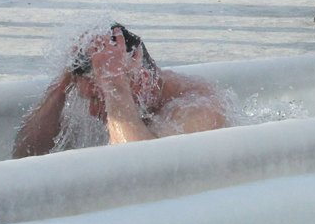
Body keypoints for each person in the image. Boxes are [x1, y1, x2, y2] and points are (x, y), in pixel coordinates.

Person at [12, 23, 232, 157]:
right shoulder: (117, 100)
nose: (91, 111)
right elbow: (27, 155)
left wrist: (114, 86)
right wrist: (61, 86)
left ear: (142, 79)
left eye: (98, 97)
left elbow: (141, 172)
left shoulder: (197, 106)